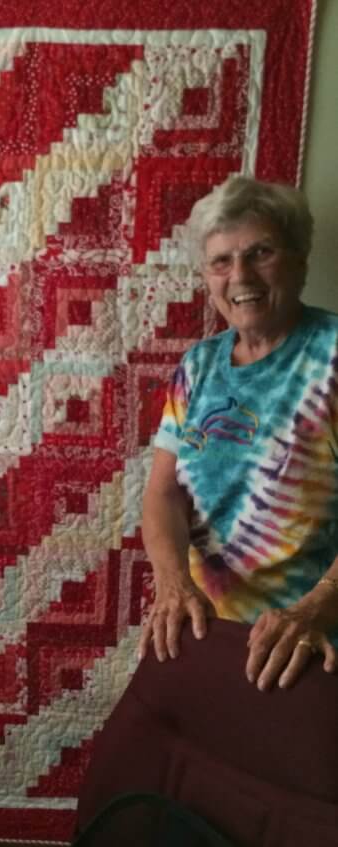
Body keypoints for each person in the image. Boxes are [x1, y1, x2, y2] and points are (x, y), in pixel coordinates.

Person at [139, 175, 338, 691]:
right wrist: (173, 584)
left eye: (261, 253)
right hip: (202, 631)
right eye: (221, 261)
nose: (240, 275)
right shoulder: (198, 365)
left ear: (299, 258)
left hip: (304, 646)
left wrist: (316, 607)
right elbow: (164, 493)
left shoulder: (332, 357)